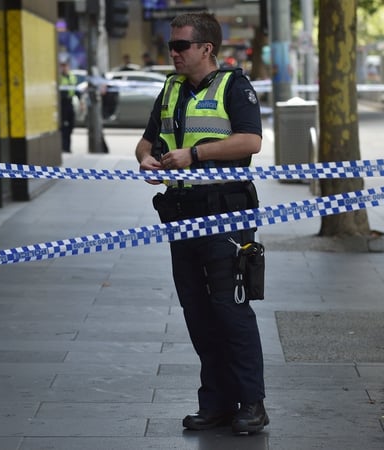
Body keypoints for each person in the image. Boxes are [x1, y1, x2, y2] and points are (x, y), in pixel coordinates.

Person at [134, 12, 267, 435]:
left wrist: (195, 155)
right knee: (198, 313)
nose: (172, 53)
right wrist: (146, 160)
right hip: (181, 214)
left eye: (181, 46)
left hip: (226, 213)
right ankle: (216, 404)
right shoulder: (171, 88)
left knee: (230, 310)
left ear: (206, 49)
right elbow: (146, 141)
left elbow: (251, 142)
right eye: (170, 45)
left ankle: (252, 404)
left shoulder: (234, 85)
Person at [59, 60, 77, 152]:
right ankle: (64, 147)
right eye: (62, 66)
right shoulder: (59, 77)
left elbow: (75, 90)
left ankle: (68, 147)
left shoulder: (72, 76)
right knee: (64, 127)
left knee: (71, 125)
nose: (64, 68)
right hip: (63, 103)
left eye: (65, 66)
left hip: (70, 102)